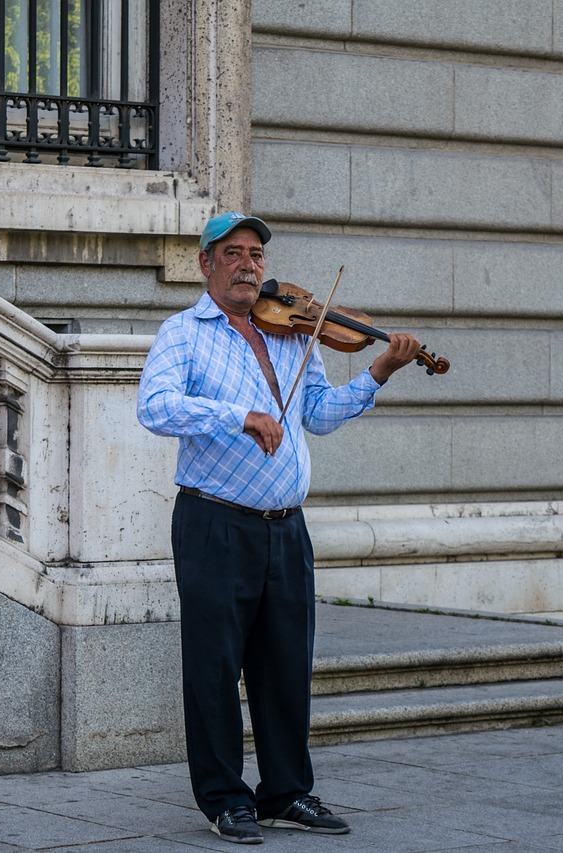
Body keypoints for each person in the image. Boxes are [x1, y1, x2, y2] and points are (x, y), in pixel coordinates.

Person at [136, 212, 423, 844]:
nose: (248, 265)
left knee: (286, 664)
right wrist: (238, 415)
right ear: (206, 264)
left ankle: (286, 793)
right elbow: (153, 407)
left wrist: (378, 374)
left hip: (286, 527)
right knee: (214, 666)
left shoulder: (294, 335)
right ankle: (224, 799)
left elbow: (316, 415)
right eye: (233, 253)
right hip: (215, 521)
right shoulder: (183, 333)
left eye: (256, 255)